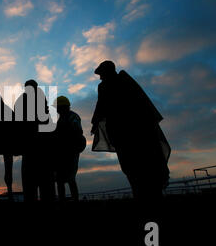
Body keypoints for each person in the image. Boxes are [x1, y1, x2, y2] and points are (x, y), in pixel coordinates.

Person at [91, 60, 170, 202]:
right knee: (132, 166)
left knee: (143, 164)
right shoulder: (108, 85)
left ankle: (150, 194)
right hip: (121, 133)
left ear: (107, 72)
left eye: (102, 74)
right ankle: (142, 194)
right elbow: (100, 106)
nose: (100, 77)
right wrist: (95, 122)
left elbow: (139, 103)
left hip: (136, 132)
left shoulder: (120, 82)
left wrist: (95, 121)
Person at [14, 79, 55, 202]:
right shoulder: (35, 99)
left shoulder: (35, 99)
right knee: (40, 184)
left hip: (35, 148)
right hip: (37, 148)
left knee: (36, 184)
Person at [53, 96, 85, 202]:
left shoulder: (72, 117)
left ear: (63, 107)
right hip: (62, 153)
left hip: (71, 152)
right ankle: (62, 200)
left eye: (58, 107)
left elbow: (77, 133)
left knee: (70, 178)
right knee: (60, 179)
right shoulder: (62, 118)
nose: (57, 110)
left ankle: (75, 200)